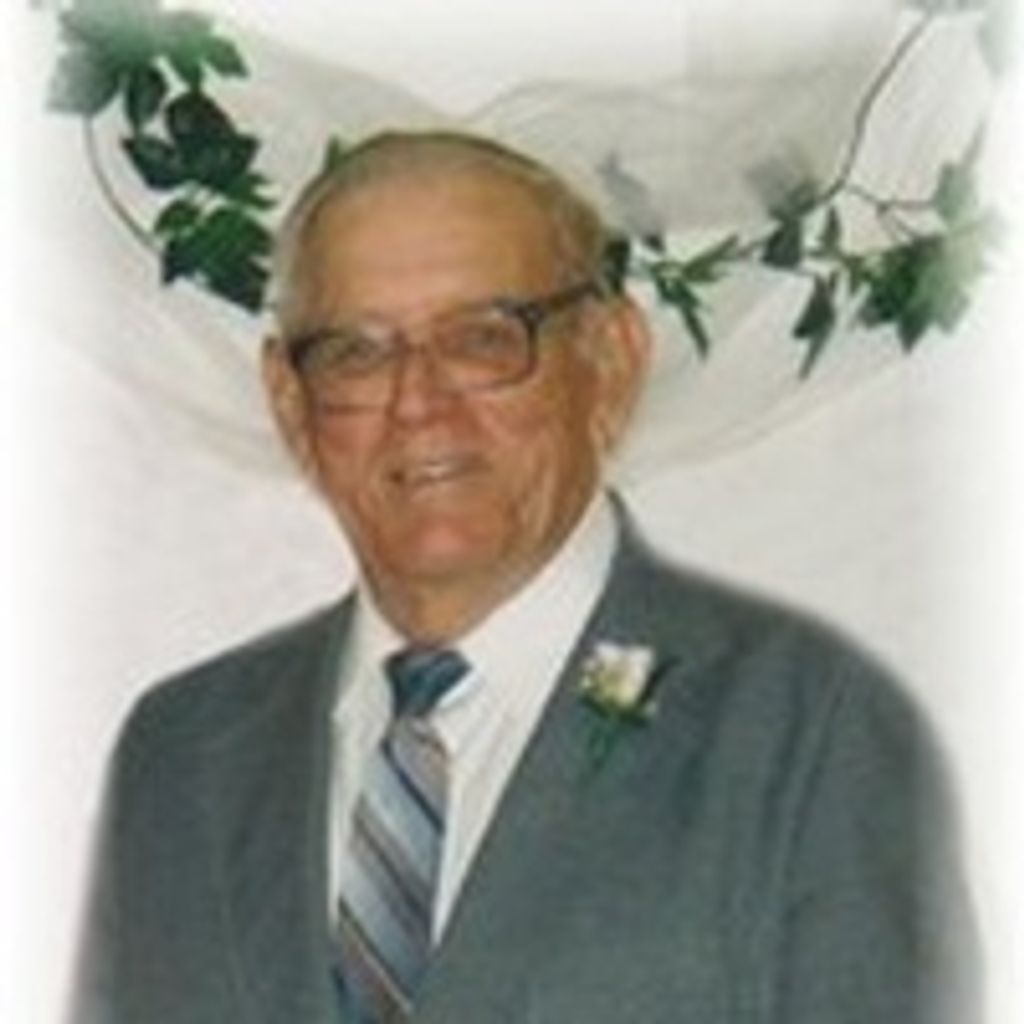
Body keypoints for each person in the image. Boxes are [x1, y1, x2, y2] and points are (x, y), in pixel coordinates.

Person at [71, 131, 976, 1024]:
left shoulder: (805, 736)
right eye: (356, 352)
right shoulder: (181, 759)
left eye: (482, 339)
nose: (419, 403)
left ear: (610, 363)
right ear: (290, 402)